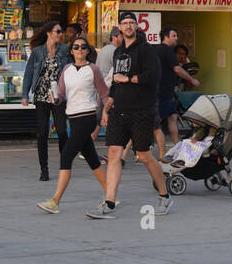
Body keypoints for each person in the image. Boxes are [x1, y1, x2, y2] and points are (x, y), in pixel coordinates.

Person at [87, 11, 171, 219]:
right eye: (124, 23)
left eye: (131, 23)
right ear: (119, 27)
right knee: (114, 154)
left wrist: (130, 79)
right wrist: (108, 106)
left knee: (143, 156)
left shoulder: (146, 50)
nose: (128, 26)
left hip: (142, 109)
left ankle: (164, 196)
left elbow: (154, 76)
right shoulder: (118, 52)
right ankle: (109, 202)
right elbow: (116, 82)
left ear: (136, 26)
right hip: (119, 110)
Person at [37, 36, 111, 214]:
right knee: (93, 159)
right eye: (76, 47)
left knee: (66, 156)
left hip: (87, 118)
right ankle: (112, 195)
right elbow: (61, 95)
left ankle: (55, 201)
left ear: (87, 50)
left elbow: (104, 94)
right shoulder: (67, 70)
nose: (79, 49)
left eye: (83, 47)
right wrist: (55, 99)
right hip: (73, 118)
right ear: (71, 51)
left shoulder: (93, 69)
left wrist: (106, 113)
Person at [21, 21, 71, 182]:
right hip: (41, 96)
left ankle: (65, 165)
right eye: (58, 31)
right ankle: (44, 169)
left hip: (59, 96)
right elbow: (29, 73)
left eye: (61, 31)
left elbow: (72, 68)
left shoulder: (64, 49)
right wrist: (25, 95)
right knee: (42, 133)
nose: (60, 34)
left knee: (62, 131)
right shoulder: (37, 52)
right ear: (49, 33)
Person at [154, 26, 199, 159]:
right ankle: (162, 154)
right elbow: (177, 69)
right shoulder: (167, 51)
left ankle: (178, 148)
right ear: (166, 37)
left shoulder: (155, 50)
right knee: (155, 124)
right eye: (174, 36)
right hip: (161, 92)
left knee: (172, 118)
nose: (176, 38)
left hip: (165, 91)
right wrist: (192, 79)